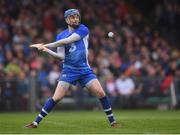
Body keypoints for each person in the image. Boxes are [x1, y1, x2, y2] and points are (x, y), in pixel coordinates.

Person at [25, 9, 119, 128]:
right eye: (72, 17)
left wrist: (44, 45)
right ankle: (35, 122)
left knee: (100, 93)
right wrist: (47, 50)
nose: (75, 19)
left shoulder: (83, 29)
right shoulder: (60, 35)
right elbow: (61, 57)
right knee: (57, 97)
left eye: (77, 17)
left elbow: (67, 41)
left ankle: (112, 121)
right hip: (69, 70)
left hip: (84, 69)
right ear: (66, 20)